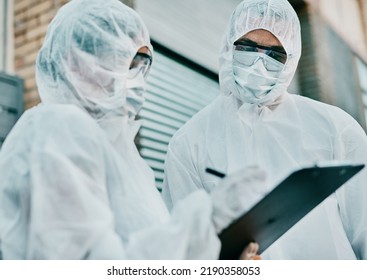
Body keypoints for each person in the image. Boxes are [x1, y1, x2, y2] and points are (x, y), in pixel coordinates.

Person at [0, 0, 266, 260]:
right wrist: (206, 221)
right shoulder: (58, 129)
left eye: (143, 66)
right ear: (75, 62)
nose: (136, 79)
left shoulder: (128, 160)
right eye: (126, 61)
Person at [162, 0, 367, 260]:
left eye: (274, 54)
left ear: (291, 59)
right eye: (248, 48)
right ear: (229, 46)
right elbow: (182, 252)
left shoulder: (336, 128)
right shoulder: (189, 143)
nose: (259, 64)